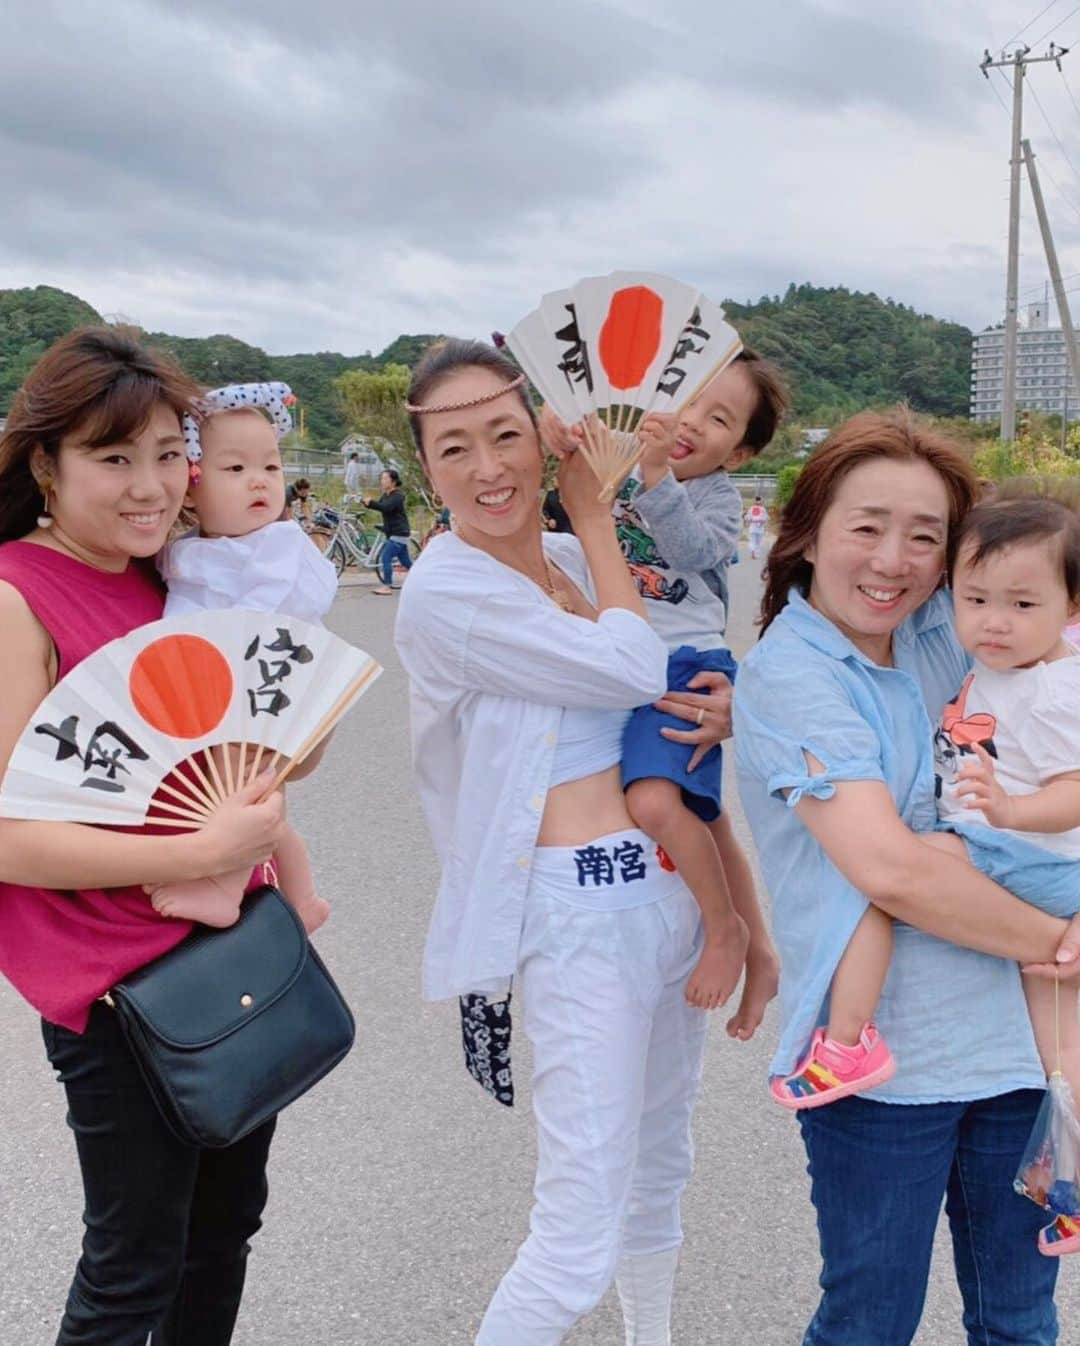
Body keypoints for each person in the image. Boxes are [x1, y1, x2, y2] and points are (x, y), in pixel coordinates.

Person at [395, 338, 749, 1346]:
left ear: (543, 436)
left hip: (669, 889)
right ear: (424, 466)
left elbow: (686, 681)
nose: (488, 467)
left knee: (658, 1166)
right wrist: (593, 507)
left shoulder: (560, 559)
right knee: (577, 1226)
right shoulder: (448, 594)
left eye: (507, 433)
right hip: (575, 912)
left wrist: (726, 704)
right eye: (454, 447)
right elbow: (636, 662)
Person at [733, 407, 1078, 1345]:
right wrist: (1064, 943)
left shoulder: (956, 629)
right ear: (806, 532)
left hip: (1014, 1050)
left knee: (1019, 1317)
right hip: (884, 1072)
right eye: (867, 527)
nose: (893, 561)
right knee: (870, 1321)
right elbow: (890, 868)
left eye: (925, 537)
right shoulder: (793, 673)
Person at [0, 327, 287, 1345]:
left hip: (228, 953)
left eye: (169, 454)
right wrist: (197, 856)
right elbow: (10, 839)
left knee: (223, 1229)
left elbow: (250, 744)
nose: (150, 485)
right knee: (134, 1261)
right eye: (113, 458)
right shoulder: (16, 593)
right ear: (46, 462)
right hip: (117, 991)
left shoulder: (176, 578)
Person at [540, 350, 789, 1016]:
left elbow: (693, 552)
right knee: (703, 816)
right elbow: (567, 444)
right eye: (688, 399)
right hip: (617, 652)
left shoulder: (713, 496)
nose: (691, 423)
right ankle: (758, 945)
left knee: (656, 804)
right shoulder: (625, 455)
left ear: (738, 453)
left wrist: (655, 475)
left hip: (685, 668)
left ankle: (725, 928)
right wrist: (558, 430)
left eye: (719, 419)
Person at [151, 381, 338, 934]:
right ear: (190, 486)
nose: (259, 480)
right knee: (263, 808)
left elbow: (268, 615)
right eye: (234, 470)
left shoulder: (274, 547)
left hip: (263, 686)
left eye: (271, 468)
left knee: (249, 797)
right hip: (224, 691)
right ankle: (302, 898)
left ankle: (223, 886)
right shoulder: (197, 550)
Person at [366, 467, 412, 595]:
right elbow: (380, 507)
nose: (382, 480)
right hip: (394, 533)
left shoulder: (398, 496)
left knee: (386, 557)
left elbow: (386, 508)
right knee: (405, 561)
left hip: (399, 533)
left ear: (393, 481)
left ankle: (387, 586)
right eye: (382, 478)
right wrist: (366, 503)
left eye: (385, 478)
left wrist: (371, 503)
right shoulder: (386, 495)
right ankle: (423, 580)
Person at [745, 494, 768, 559]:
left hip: (752, 527)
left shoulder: (751, 508)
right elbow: (765, 518)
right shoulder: (763, 509)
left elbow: (747, 518)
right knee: (759, 541)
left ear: (755, 501)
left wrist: (748, 522)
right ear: (761, 501)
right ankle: (756, 554)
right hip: (760, 527)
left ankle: (753, 552)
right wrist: (763, 523)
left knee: (752, 540)